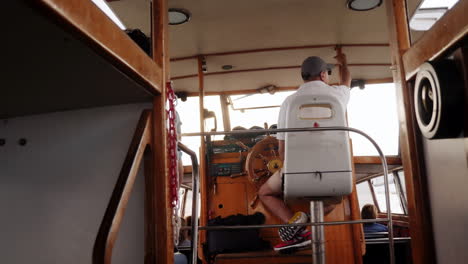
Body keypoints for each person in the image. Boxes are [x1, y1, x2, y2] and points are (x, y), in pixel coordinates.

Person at [258, 54, 351, 251]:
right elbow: (347, 81)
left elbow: (282, 147)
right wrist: (343, 62)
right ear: (323, 74)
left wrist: (287, 171)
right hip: (335, 175)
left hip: (297, 175)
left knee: (264, 192)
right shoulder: (338, 95)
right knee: (335, 198)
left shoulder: (289, 102)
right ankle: (304, 222)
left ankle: (297, 225)